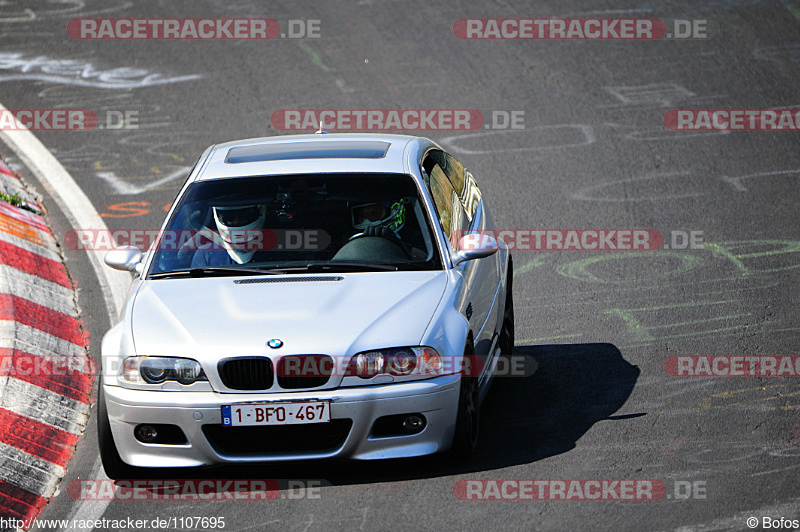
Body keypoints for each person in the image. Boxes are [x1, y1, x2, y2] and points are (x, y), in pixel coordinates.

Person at [191, 204, 266, 267]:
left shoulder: (275, 250)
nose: (236, 222)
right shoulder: (206, 254)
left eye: (244, 215)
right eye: (228, 216)